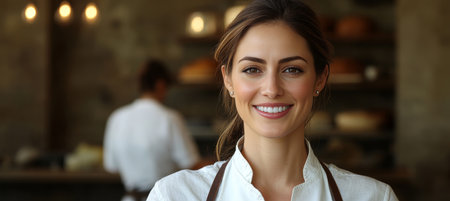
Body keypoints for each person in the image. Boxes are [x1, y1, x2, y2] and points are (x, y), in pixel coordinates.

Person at [147, 0, 399, 200]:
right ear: (228, 79)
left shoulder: (372, 197)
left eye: (292, 69)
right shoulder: (175, 195)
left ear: (320, 79)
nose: (271, 89)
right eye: (252, 69)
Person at [103, 59, 202, 201]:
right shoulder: (169, 118)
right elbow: (192, 163)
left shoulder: (117, 118)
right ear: (160, 85)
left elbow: (111, 166)